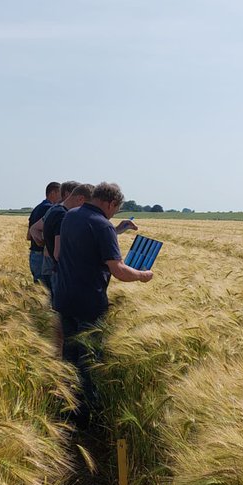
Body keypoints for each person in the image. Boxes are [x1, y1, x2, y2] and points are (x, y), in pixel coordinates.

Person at [53, 181, 153, 425]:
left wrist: (114, 230)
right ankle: (87, 416)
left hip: (64, 296)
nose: (113, 214)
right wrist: (142, 275)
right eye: (115, 209)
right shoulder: (102, 225)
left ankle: (66, 404)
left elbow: (85, 246)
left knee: (70, 355)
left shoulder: (71, 216)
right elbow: (118, 270)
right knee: (90, 360)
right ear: (111, 203)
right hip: (89, 301)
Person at [27, 182, 62, 283]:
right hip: (42, 257)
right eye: (60, 193)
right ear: (53, 193)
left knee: (39, 289)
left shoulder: (37, 208)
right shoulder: (51, 209)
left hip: (34, 255)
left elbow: (29, 235)